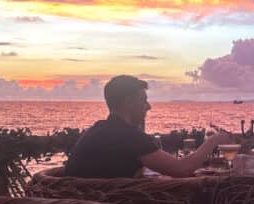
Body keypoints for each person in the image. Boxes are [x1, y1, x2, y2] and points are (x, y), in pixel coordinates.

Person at [64, 75, 232, 178]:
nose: (148, 106)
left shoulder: (99, 130)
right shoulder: (127, 136)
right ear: (129, 102)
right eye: (143, 100)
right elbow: (182, 169)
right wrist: (213, 141)